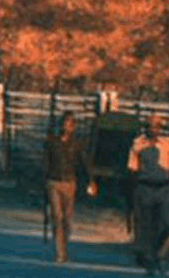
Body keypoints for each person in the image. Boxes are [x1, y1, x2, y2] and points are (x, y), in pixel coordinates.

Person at [127, 112, 169, 277]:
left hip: (163, 188)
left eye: (156, 127)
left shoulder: (167, 145)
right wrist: (131, 196)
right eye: (150, 126)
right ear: (146, 128)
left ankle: (161, 255)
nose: (153, 129)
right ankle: (150, 261)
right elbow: (132, 170)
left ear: (160, 129)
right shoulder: (137, 145)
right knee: (146, 226)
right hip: (144, 188)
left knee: (167, 224)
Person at [42, 111, 98, 264]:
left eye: (68, 124)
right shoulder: (52, 142)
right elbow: (45, 163)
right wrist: (43, 182)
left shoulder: (76, 144)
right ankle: (59, 252)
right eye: (63, 124)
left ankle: (64, 244)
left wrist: (91, 180)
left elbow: (84, 163)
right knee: (56, 217)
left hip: (69, 182)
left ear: (73, 127)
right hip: (53, 182)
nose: (65, 127)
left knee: (67, 219)